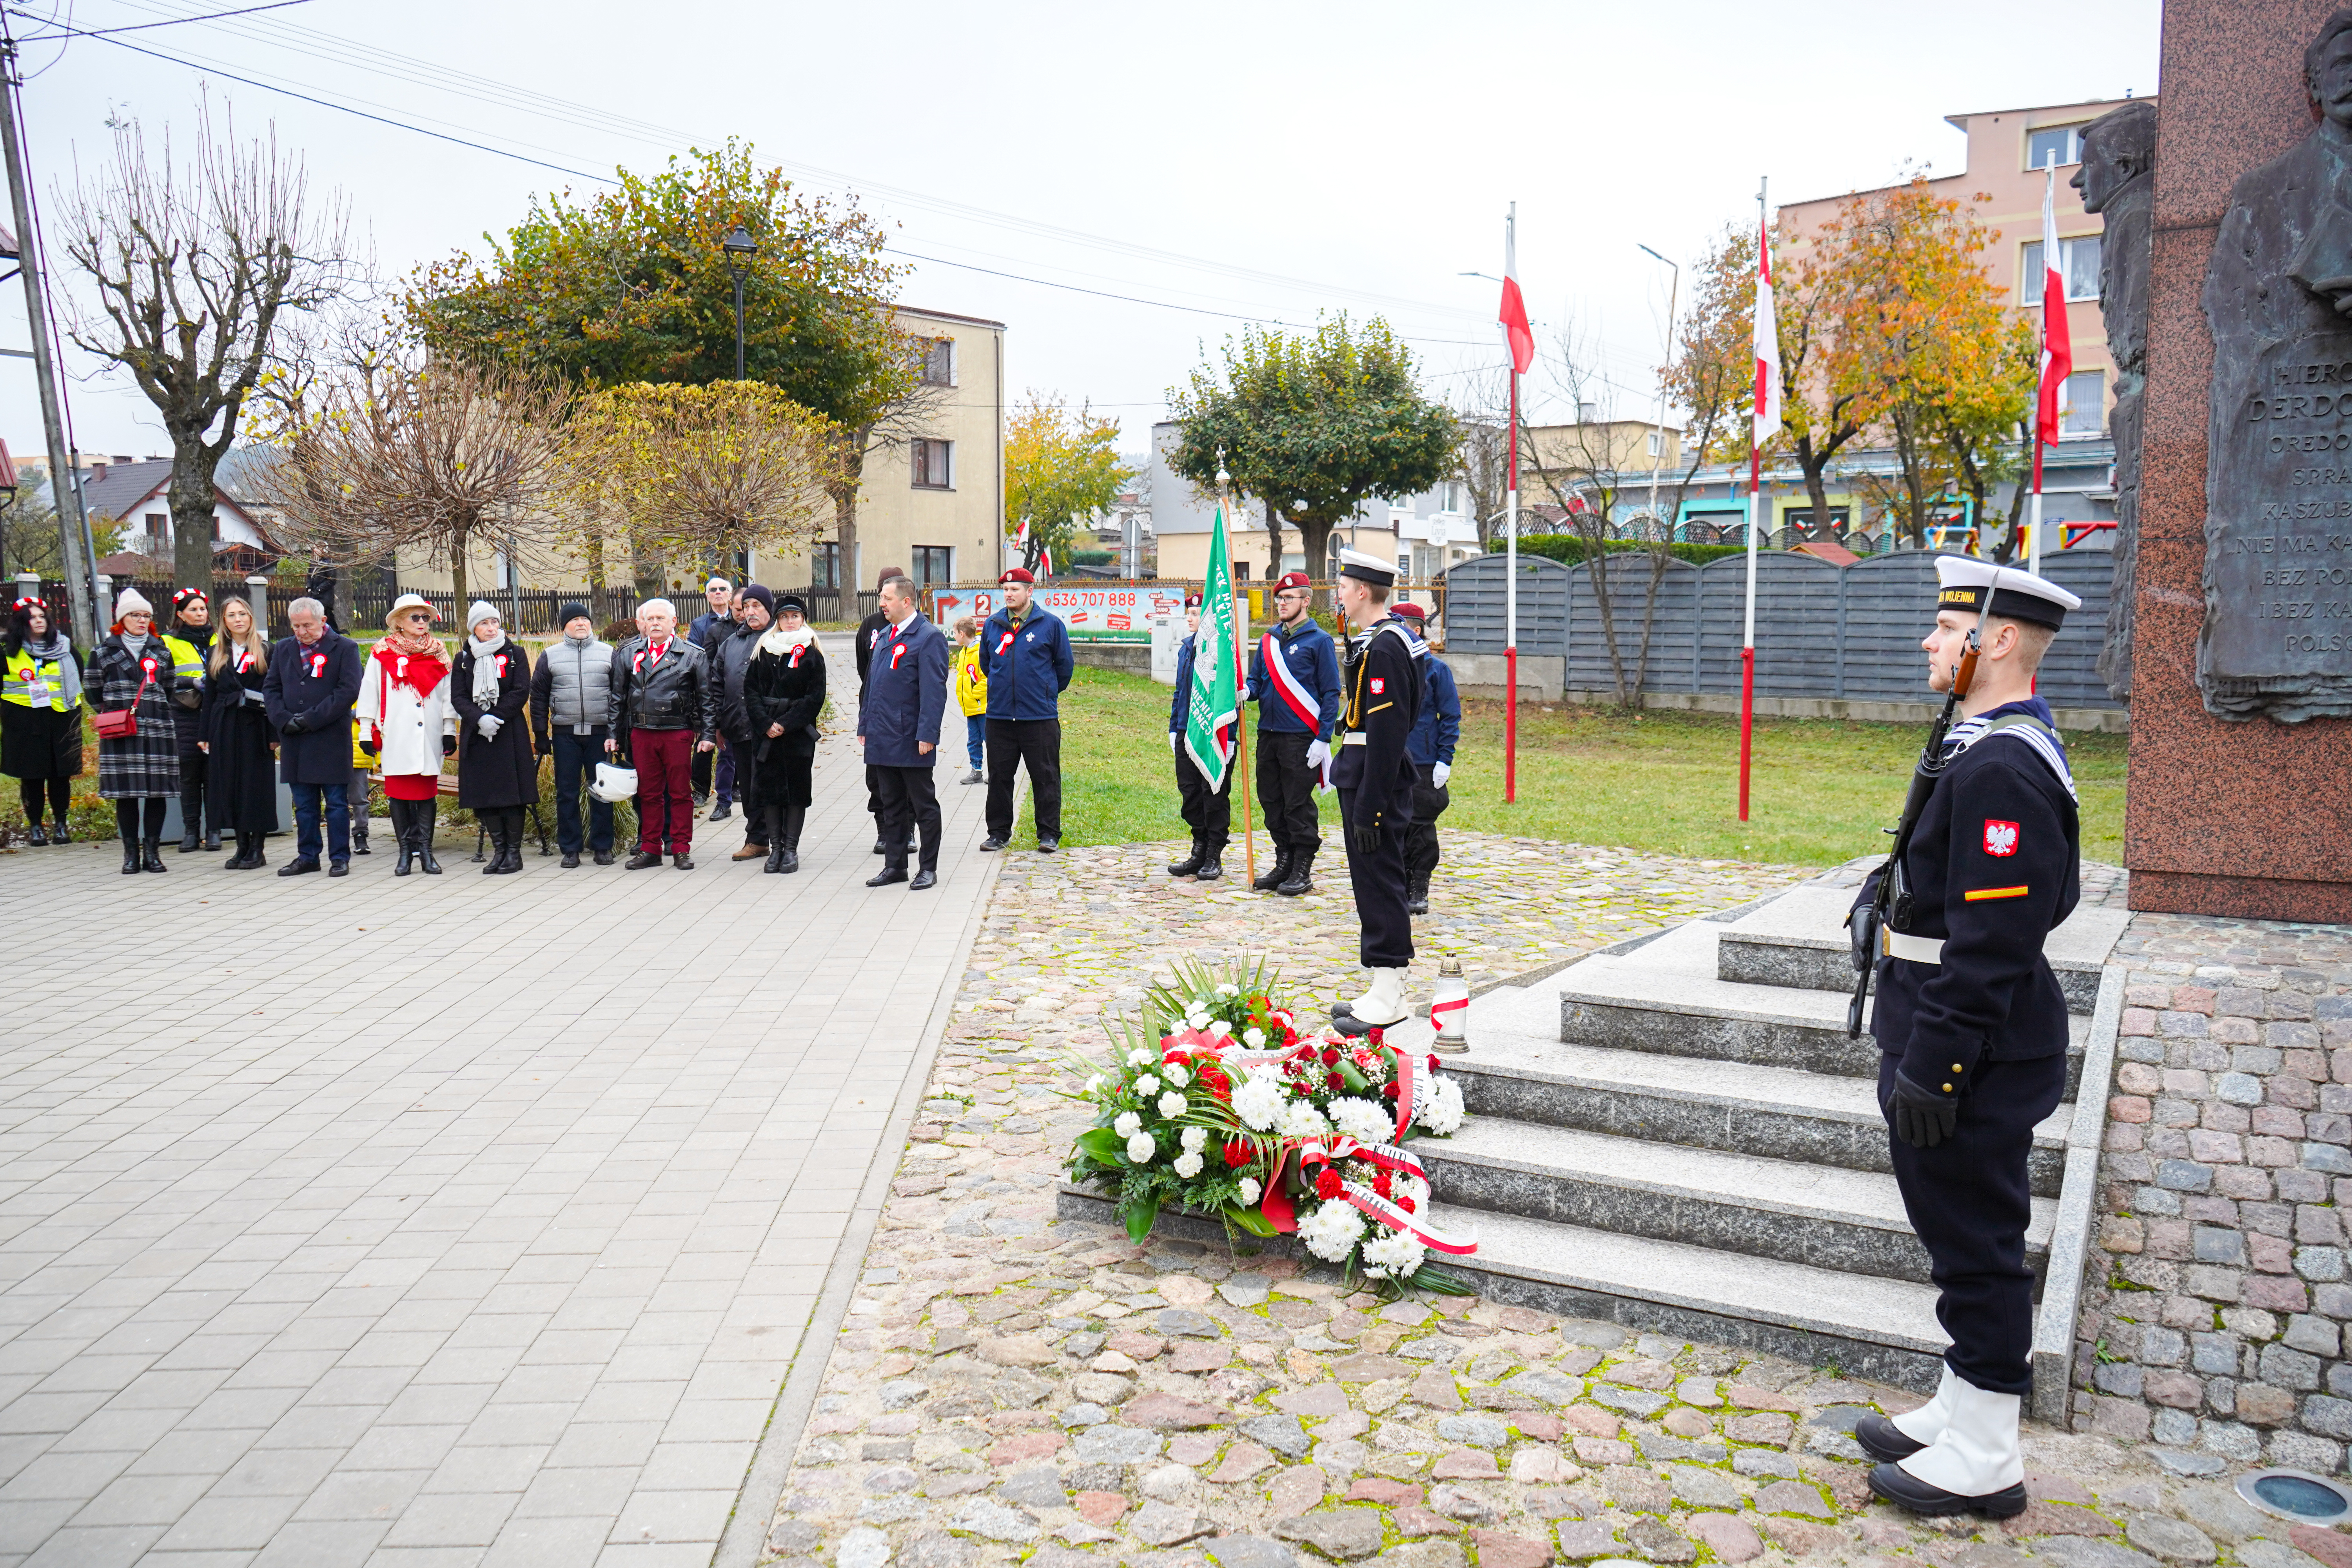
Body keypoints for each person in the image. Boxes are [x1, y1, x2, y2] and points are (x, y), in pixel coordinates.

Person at [1853, 559, 2083, 1521]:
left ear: (1992, 641)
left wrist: (1937, 1065)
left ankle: (1988, 1453)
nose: (1928, 642)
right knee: (1954, 1230)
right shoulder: (1985, 741)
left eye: (1946, 628)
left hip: (1973, 1044)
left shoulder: (2002, 761)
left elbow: (1996, 942)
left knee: (1978, 1240)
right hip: (1949, 1024)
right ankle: (1964, 1402)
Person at [1330, 548, 1423, 1032]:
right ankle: (1382, 986)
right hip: (1365, 771)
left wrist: (1370, 804)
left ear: (1363, 591)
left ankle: (1390, 994)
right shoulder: (1380, 641)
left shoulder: (1387, 645)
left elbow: (1387, 733)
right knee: (1371, 881)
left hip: (1375, 778)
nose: (1339, 595)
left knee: (1381, 881)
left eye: (1344, 587)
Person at [1245, 569, 1341, 897]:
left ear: (1306, 601)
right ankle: (1284, 859)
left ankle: (1302, 865)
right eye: (1279, 599)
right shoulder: (1270, 640)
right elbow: (1257, 681)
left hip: (1300, 737)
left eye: (1289, 598)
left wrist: (1323, 737)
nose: (1282, 603)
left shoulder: (1320, 641)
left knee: (1297, 804)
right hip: (1268, 733)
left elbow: (1331, 693)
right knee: (1271, 799)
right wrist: (1246, 691)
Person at [608, 597, 716, 869]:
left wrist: (707, 735)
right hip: (641, 732)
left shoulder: (693, 654)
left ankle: (680, 848)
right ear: (642, 623)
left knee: (680, 793)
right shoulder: (629, 653)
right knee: (648, 793)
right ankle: (650, 849)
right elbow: (617, 698)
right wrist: (613, 734)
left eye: (661, 619)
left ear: (674, 623)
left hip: (677, 732)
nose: (655, 623)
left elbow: (706, 699)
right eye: (650, 619)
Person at [858, 574, 947, 889]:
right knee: (890, 804)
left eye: (887, 598)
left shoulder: (928, 637)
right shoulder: (884, 635)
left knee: (922, 806)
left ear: (906, 601)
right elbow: (872, 685)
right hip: (882, 736)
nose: (881, 603)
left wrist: (928, 735)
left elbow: (934, 693)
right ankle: (895, 866)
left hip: (911, 738)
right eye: (882, 598)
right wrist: (865, 724)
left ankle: (928, 868)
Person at [264, 595, 364, 877]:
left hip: (330, 737)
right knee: (305, 805)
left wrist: (310, 719)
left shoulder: (345, 648)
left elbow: (348, 691)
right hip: (295, 739)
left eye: (307, 625)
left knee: (335, 803)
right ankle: (307, 856)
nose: (301, 632)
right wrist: (283, 719)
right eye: (295, 626)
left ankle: (339, 858)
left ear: (323, 621)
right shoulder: (283, 649)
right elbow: (271, 688)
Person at [89, 588, 186, 874]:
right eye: (136, 615)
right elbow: (93, 692)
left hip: (156, 728)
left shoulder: (161, 650)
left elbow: (169, 688)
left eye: (147, 616)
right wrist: (117, 716)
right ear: (122, 618)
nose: (142, 621)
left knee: (157, 793)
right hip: (121, 731)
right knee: (126, 794)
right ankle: (130, 855)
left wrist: (151, 711)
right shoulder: (103, 651)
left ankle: (153, 854)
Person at [357, 593, 455, 876]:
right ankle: (404, 854)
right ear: (399, 622)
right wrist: (365, 731)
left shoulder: (438, 651)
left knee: (426, 795)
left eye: (426, 617)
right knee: (399, 795)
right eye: (415, 617)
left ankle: (425, 851)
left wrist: (449, 729)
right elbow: (370, 692)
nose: (422, 622)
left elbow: (447, 695)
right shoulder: (382, 652)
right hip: (396, 734)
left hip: (429, 735)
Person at [980, 567, 1074, 853]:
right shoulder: (993, 625)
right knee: (999, 777)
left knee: (1045, 776)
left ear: (1030, 592)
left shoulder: (1050, 624)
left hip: (1039, 718)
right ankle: (998, 833)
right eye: (1006, 590)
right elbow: (987, 664)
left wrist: (1043, 693)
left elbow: (1064, 668)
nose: (1009, 595)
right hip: (1000, 717)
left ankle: (1048, 834)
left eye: (1015, 590)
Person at [451, 602, 538, 875]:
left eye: (495, 623)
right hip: (477, 736)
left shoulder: (515, 653)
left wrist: (495, 717)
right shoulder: (463, 658)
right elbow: (458, 697)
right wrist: (479, 719)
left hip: (508, 733)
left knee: (511, 795)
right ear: (474, 628)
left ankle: (514, 853)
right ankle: (499, 852)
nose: (491, 628)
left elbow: (521, 690)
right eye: (484, 624)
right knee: (485, 795)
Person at [744, 592, 827, 874]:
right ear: (777, 621)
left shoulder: (811, 653)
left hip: (796, 734)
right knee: (770, 791)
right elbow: (751, 691)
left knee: (796, 792)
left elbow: (815, 698)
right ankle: (775, 848)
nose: (790, 622)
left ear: (803, 619)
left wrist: (786, 723)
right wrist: (766, 723)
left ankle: (790, 850)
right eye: (784, 617)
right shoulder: (764, 649)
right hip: (766, 732)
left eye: (795, 616)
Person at [530, 601, 616, 868]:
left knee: (602, 791)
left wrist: (616, 733)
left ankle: (603, 847)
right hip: (565, 735)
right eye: (575, 620)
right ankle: (570, 849)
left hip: (600, 734)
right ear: (564, 625)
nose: (581, 623)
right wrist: (542, 734)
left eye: (585, 619)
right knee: (566, 792)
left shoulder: (608, 653)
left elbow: (619, 698)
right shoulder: (550, 656)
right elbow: (538, 698)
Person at [198, 596, 278, 869]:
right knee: (230, 785)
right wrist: (205, 733)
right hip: (225, 725)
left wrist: (273, 734)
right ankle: (241, 845)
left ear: (251, 617)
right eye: (231, 616)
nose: (238, 620)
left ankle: (258, 847)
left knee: (254, 786)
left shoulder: (267, 650)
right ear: (224, 622)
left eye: (242, 614)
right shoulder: (217, 652)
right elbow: (209, 695)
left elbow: (274, 694)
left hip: (256, 726)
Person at [1390, 602, 1459, 916]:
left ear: (1415, 630)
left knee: (1419, 827)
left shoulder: (1436, 670)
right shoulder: (1387, 665)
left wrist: (1444, 759)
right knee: (1393, 826)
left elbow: (1450, 717)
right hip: (1391, 758)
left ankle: (1420, 884)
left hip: (1424, 761)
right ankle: (1398, 882)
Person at [1, 596, 83, 845]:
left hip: (62, 718)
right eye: (32, 618)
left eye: (42, 617)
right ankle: (36, 826)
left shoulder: (65, 648)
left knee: (61, 774)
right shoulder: (7, 651)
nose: (39, 621)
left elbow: (79, 675)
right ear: (21, 624)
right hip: (24, 721)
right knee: (32, 775)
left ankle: (61, 825)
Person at [1166, 590, 1230, 882]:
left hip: (1212, 733)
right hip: (1186, 730)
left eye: (1195, 615)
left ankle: (1214, 853)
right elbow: (1180, 692)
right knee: (1190, 792)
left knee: (1213, 792)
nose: (1190, 619)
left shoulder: (1222, 651)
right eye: (1188, 614)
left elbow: (1227, 695)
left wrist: (1229, 735)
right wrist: (1173, 727)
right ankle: (1199, 847)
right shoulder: (1186, 649)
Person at [711, 586, 772, 862]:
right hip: (739, 727)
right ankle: (757, 840)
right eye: (746, 607)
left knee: (770, 786)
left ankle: (781, 840)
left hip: (772, 731)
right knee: (748, 788)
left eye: (757, 606)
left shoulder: (779, 640)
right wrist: (717, 724)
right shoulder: (731, 644)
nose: (750, 612)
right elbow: (717, 684)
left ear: (769, 609)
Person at [856, 564, 908, 856]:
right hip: (875, 712)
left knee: (906, 774)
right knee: (877, 777)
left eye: (890, 592)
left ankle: (908, 831)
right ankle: (884, 831)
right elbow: (866, 667)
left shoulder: (916, 626)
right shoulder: (870, 626)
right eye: (882, 592)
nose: (884, 600)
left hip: (903, 716)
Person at [161, 587, 217, 852]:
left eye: (203, 609)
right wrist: (191, 681)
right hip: (185, 714)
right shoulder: (168, 642)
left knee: (214, 773)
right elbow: (162, 677)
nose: (199, 614)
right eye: (193, 610)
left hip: (216, 713)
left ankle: (215, 830)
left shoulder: (220, 639)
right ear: (181, 614)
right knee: (190, 774)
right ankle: (191, 831)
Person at [688, 576, 737, 812]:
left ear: (730, 594)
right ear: (707, 596)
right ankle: (700, 789)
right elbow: (697, 656)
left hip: (732, 690)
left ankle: (733, 787)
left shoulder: (740, 620)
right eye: (713, 590)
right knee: (705, 741)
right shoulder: (699, 625)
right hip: (707, 689)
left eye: (723, 590)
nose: (718, 593)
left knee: (731, 742)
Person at [949, 615, 987, 786]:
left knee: (989, 739)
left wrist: (975, 694)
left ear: (963, 634)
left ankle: (996, 772)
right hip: (970, 707)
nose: (954, 636)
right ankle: (976, 770)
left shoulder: (979, 652)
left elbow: (987, 678)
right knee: (973, 741)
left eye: (955, 633)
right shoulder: (964, 652)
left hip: (982, 707)